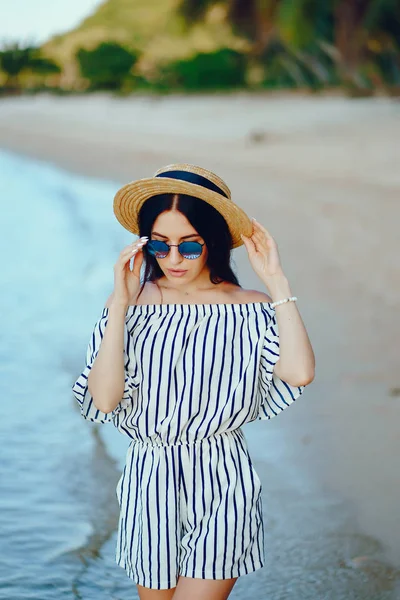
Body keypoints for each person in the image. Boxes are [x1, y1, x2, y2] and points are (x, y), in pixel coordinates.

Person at [72, 163, 315, 600]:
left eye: (189, 245)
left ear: (214, 241)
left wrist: (277, 282)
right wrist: (121, 304)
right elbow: (106, 400)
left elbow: (299, 372)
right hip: (150, 477)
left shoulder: (249, 307)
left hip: (223, 475)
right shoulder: (129, 305)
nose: (173, 259)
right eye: (160, 247)